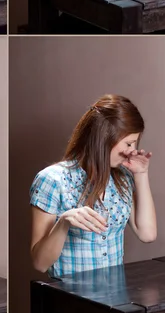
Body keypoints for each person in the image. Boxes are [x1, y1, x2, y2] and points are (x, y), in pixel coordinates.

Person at [30, 94, 157, 277]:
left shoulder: (122, 179)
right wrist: (64, 222)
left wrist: (141, 174)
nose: (132, 150)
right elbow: (40, 263)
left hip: (114, 299)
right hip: (70, 298)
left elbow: (147, 234)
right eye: (129, 143)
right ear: (105, 138)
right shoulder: (52, 180)